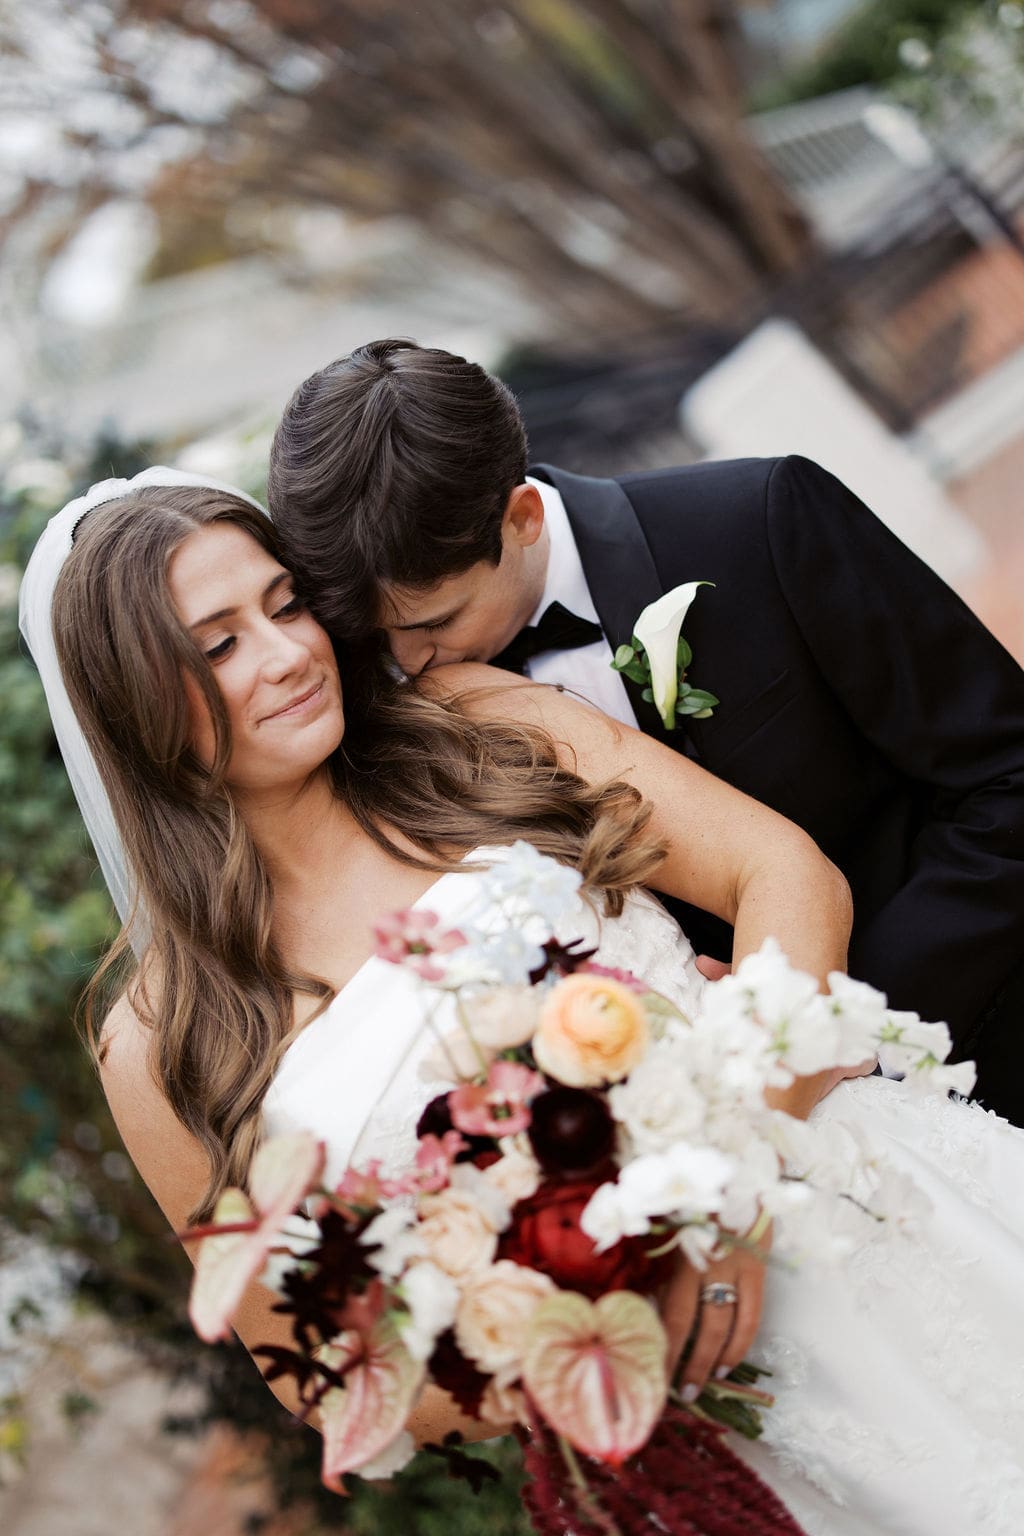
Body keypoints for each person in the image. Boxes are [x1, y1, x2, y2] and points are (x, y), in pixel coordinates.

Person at [20, 472, 1024, 1535]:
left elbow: (780, 875)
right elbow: (316, 1376)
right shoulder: (160, 1043)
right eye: (215, 646)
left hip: (871, 1224)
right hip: (699, 1433)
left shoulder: (468, 722)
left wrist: (734, 1187)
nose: (285, 656)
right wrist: (548, 1341)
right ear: (130, 703)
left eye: (285, 605)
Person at [267, 338, 1024, 1127]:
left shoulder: (756, 522)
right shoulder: (368, 708)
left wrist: (853, 1021)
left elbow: (1006, 773)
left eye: (435, 622)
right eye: (372, 637)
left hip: (973, 1063)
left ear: (520, 516)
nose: (406, 663)